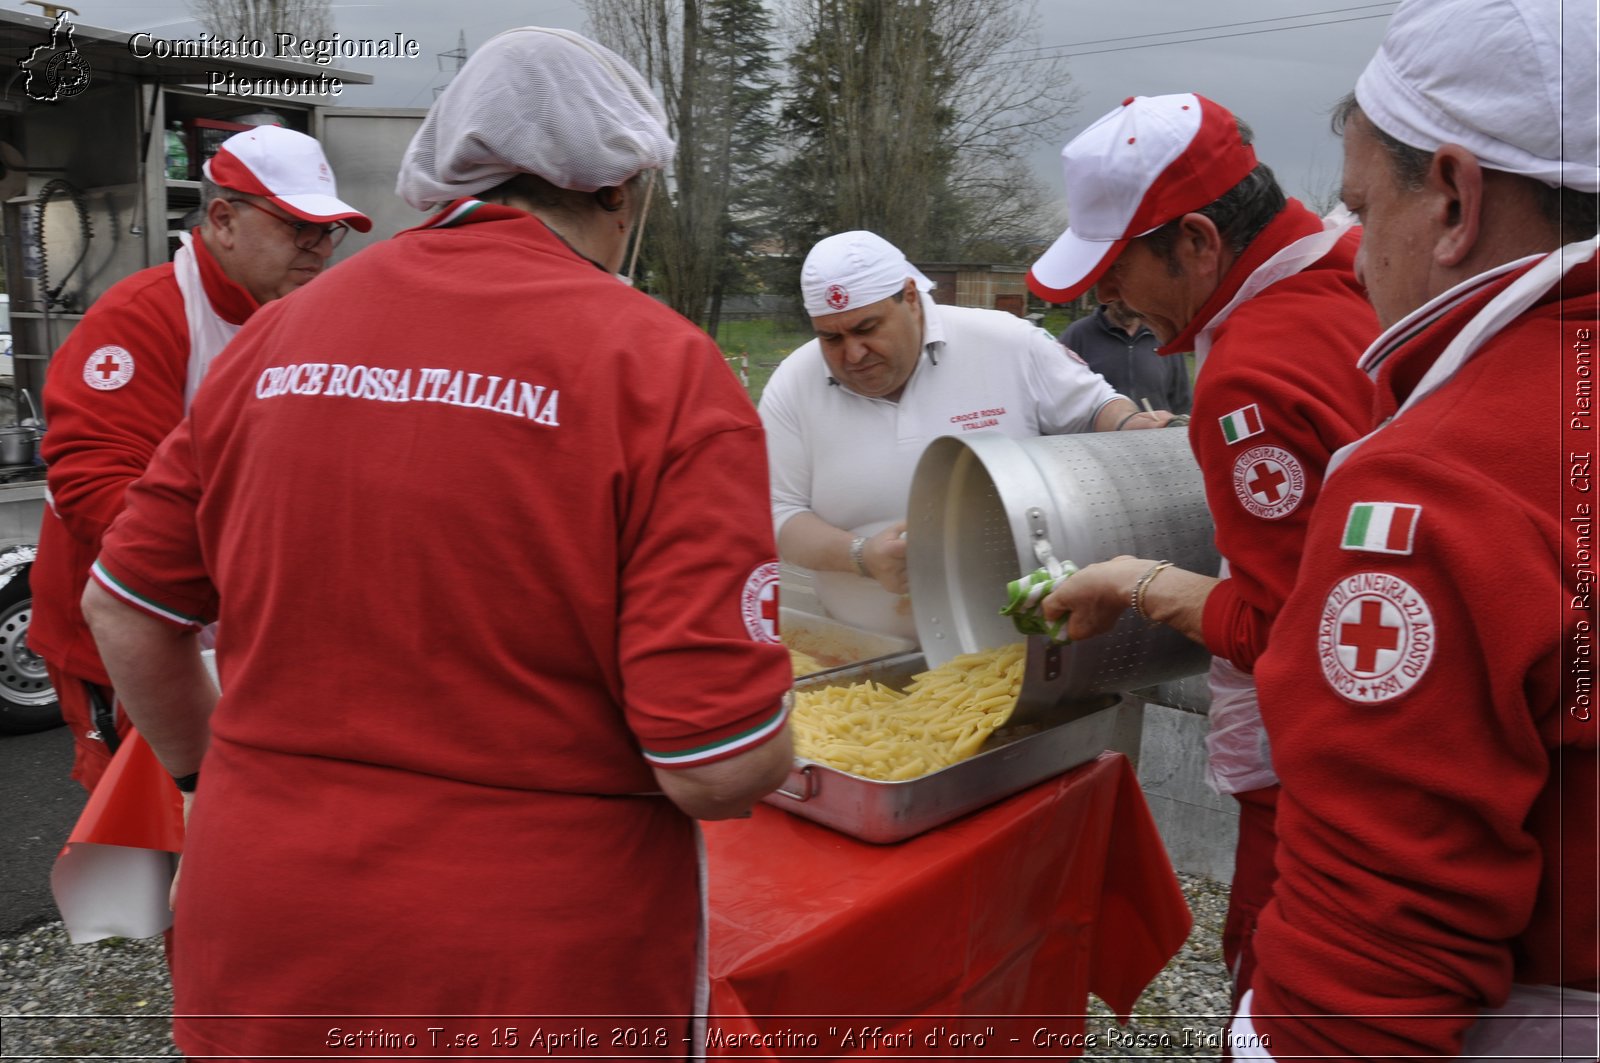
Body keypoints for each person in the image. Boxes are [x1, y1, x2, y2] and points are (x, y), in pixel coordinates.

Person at [79, 26, 793, 1060]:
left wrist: (209, 778)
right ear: (620, 191)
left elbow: (126, 609)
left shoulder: (278, 336)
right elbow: (714, 768)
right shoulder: (660, 369)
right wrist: (785, 735)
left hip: (266, 931)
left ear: (446, 172)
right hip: (525, 965)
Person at [1228, 0, 1599, 1057]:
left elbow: (1366, 976)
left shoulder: (1439, 486)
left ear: (1450, 199)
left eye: (1357, 209)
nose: (1350, 258)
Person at [1030, 93, 1379, 1020]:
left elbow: (1287, 630)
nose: (1106, 299)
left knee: (1273, 995)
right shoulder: (1356, 270)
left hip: (1315, 768)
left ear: (1196, 241)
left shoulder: (1252, 373)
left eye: (1114, 269)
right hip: (1394, 755)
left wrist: (1131, 579)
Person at [30, 125, 372, 792]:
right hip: (120, 634)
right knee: (143, 838)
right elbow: (94, 479)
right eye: (298, 227)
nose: (319, 249)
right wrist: (246, 570)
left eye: (330, 232)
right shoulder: (146, 314)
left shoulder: (307, 318)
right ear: (222, 219)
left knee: (244, 823)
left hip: (242, 632)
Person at [759, 229, 1171, 641]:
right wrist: (861, 556)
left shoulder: (1005, 341)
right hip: (863, 651)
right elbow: (777, 513)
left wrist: (1133, 426)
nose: (852, 353)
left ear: (909, 298)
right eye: (831, 337)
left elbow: (1097, 408)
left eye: (867, 328)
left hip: (1013, 650)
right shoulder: (793, 384)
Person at [1060, 301, 1192, 414]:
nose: (1126, 298)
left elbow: (1182, 402)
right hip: (1097, 440)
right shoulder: (1078, 335)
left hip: (1156, 439)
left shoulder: (1163, 335)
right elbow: (1060, 400)